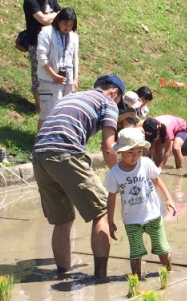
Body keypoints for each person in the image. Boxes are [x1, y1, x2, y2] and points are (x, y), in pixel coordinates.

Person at [31, 74, 124, 281]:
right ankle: (100, 276)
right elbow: (108, 149)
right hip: (65, 152)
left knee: (62, 220)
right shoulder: (108, 102)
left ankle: (63, 273)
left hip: (39, 154)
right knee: (101, 209)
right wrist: (122, 176)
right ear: (115, 92)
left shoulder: (70, 97)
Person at [104, 129, 177, 282]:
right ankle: (136, 279)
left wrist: (169, 199)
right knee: (136, 253)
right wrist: (110, 222)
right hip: (131, 220)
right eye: (131, 152)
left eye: (139, 151)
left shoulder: (145, 164)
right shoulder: (115, 173)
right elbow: (111, 198)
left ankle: (168, 273)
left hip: (153, 216)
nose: (135, 156)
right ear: (121, 152)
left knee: (162, 249)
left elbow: (157, 181)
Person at [20, 0, 59, 113]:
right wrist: (53, 15)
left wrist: (51, 17)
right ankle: (39, 107)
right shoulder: (30, 0)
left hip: (53, 42)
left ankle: (52, 104)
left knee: (53, 73)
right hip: (36, 43)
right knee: (37, 76)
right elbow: (42, 20)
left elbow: (61, 17)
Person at [36, 8, 79, 123]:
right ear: (59, 20)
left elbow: (75, 58)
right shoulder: (46, 33)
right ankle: (42, 140)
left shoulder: (73, 36)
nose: (67, 28)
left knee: (64, 113)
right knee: (48, 113)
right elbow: (42, 56)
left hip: (67, 79)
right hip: (49, 79)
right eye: (65, 24)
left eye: (70, 25)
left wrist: (75, 79)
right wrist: (53, 75)